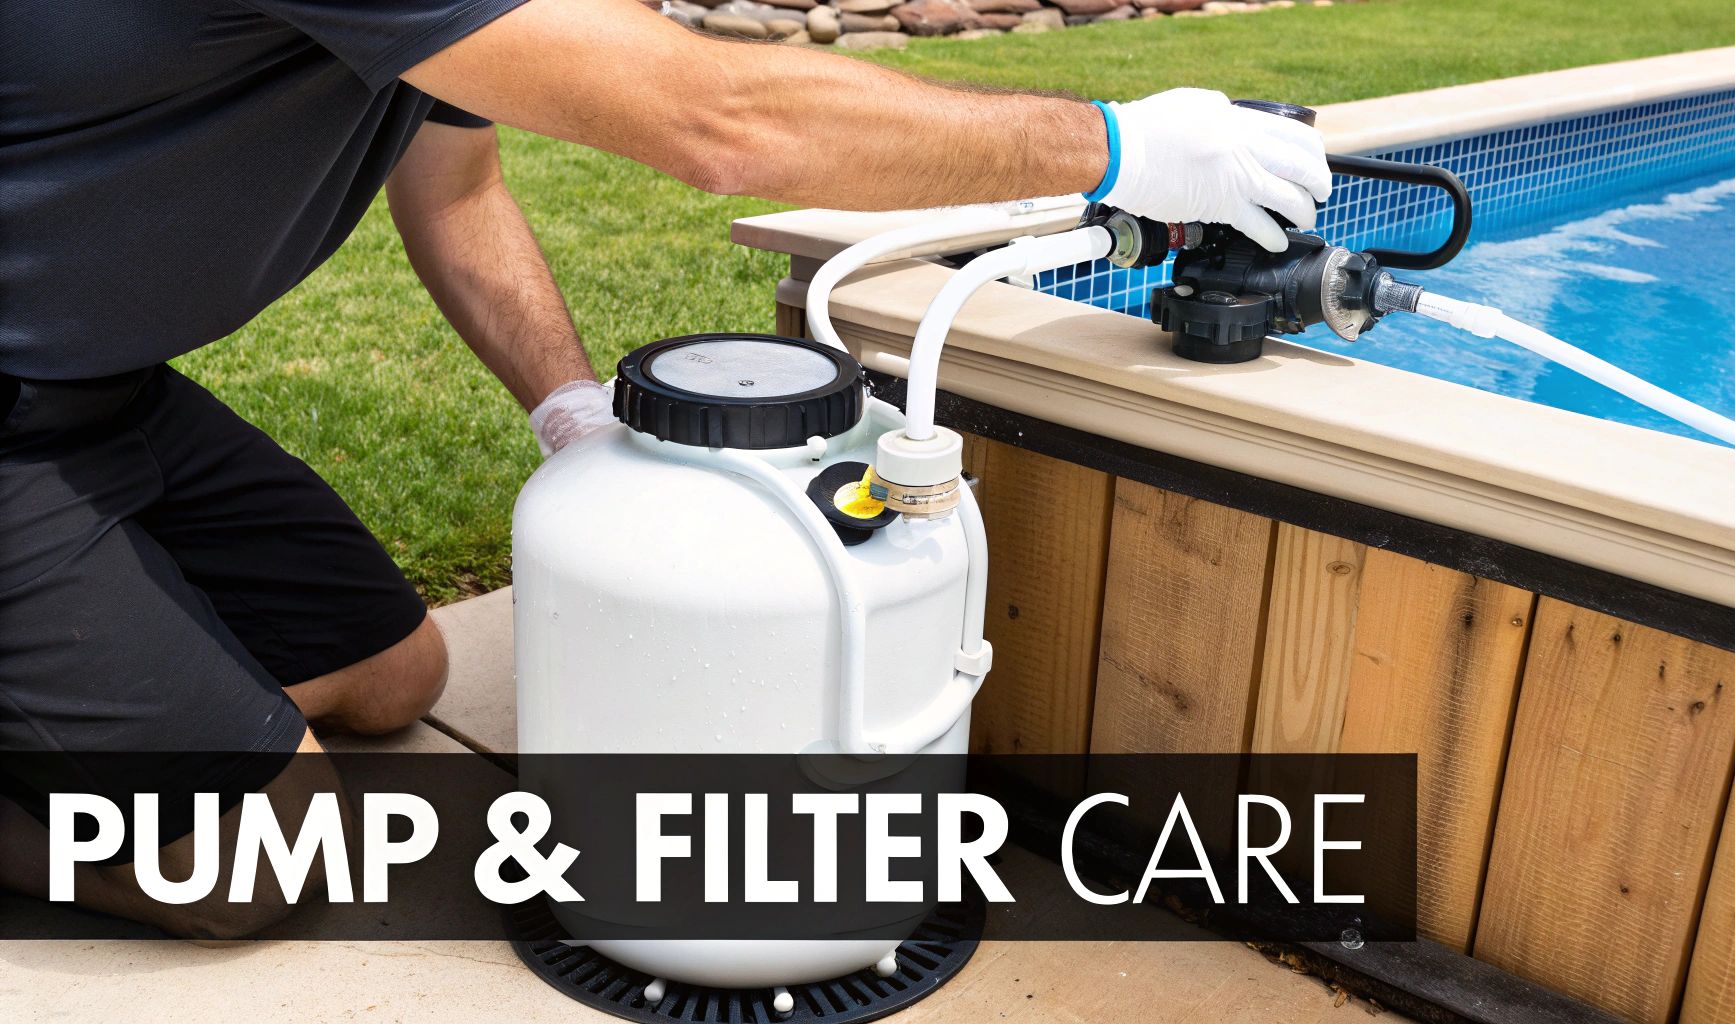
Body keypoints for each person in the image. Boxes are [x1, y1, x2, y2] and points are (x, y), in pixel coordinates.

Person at [0, 0, 1330, 936]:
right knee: (263, 860)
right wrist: (1116, 146)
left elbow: (456, 194)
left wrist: (570, 410)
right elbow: (722, 120)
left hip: (98, 396)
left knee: (399, 677)